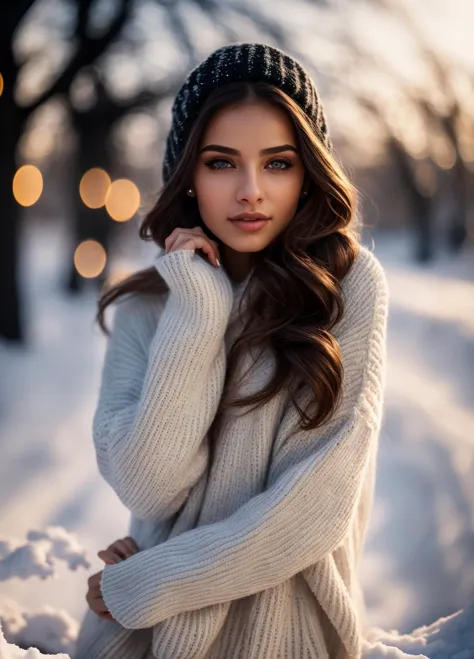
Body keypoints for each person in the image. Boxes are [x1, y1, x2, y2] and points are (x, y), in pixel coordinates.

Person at [73, 42, 389, 659]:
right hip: (141, 640)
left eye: (278, 163)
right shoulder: (148, 307)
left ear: (309, 171)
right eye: (221, 163)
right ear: (188, 174)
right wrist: (198, 309)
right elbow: (149, 487)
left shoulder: (346, 288)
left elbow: (313, 508)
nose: (250, 191)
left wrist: (150, 578)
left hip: (286, 636)